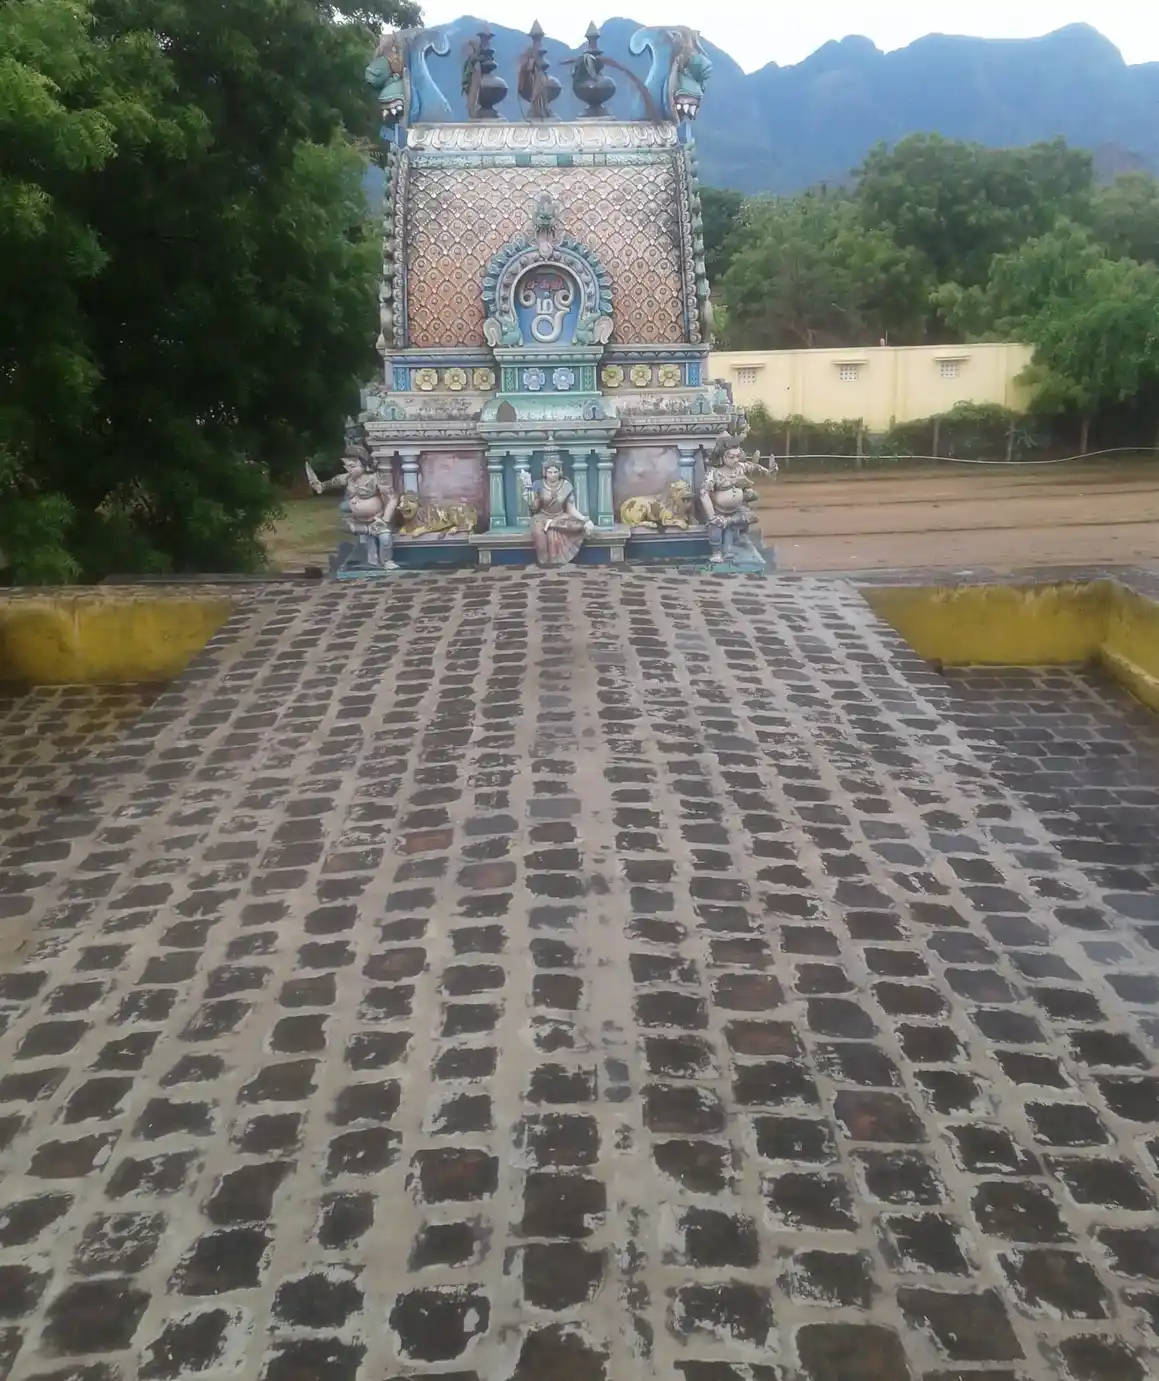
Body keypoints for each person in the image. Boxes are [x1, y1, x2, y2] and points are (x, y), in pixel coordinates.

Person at [521, 459, 594, 567]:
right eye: (550, 472)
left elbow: (571, 509)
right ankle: (544, 561)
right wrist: (529, 498)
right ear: (545, 472)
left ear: (560, 472)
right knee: (539, 534)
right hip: (541, 517)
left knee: (580, 526)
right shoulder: (538, 484)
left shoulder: (567, 486)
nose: (553, 475)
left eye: (555, 472)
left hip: (561, 517)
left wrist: (585, 520)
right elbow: (535, 508)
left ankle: (552, 524)